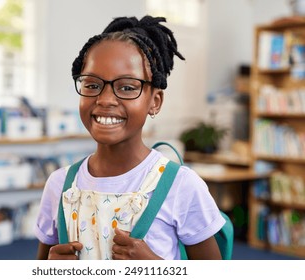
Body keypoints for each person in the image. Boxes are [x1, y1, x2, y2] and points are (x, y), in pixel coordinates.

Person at [35, 15, 225, 260]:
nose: (105, 99)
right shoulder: (59, 185)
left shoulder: (182, 186)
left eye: (127, 87)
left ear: (154, 102)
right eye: (92, 85)